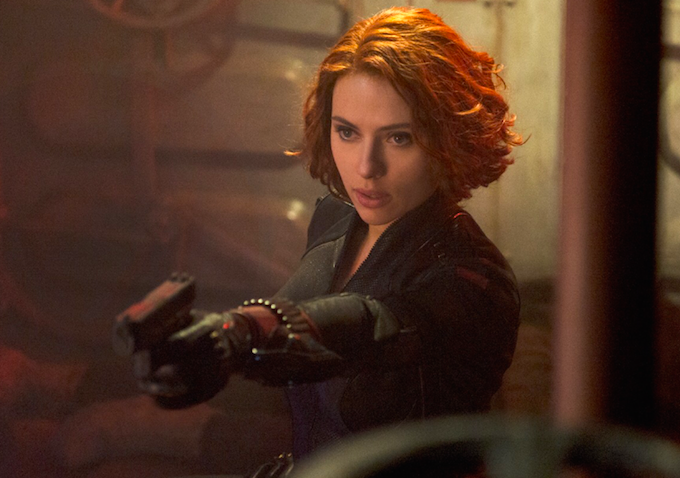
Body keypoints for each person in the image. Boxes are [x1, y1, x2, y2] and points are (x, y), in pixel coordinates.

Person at [133, 5, 523, 470]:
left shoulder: (474, 279)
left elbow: (367, 325)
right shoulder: (337, 219)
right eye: (348, 132)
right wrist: (225, 337)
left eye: (399, 138)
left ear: (449, 139)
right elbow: (294, 320)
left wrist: (240, 335)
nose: (366, 167)